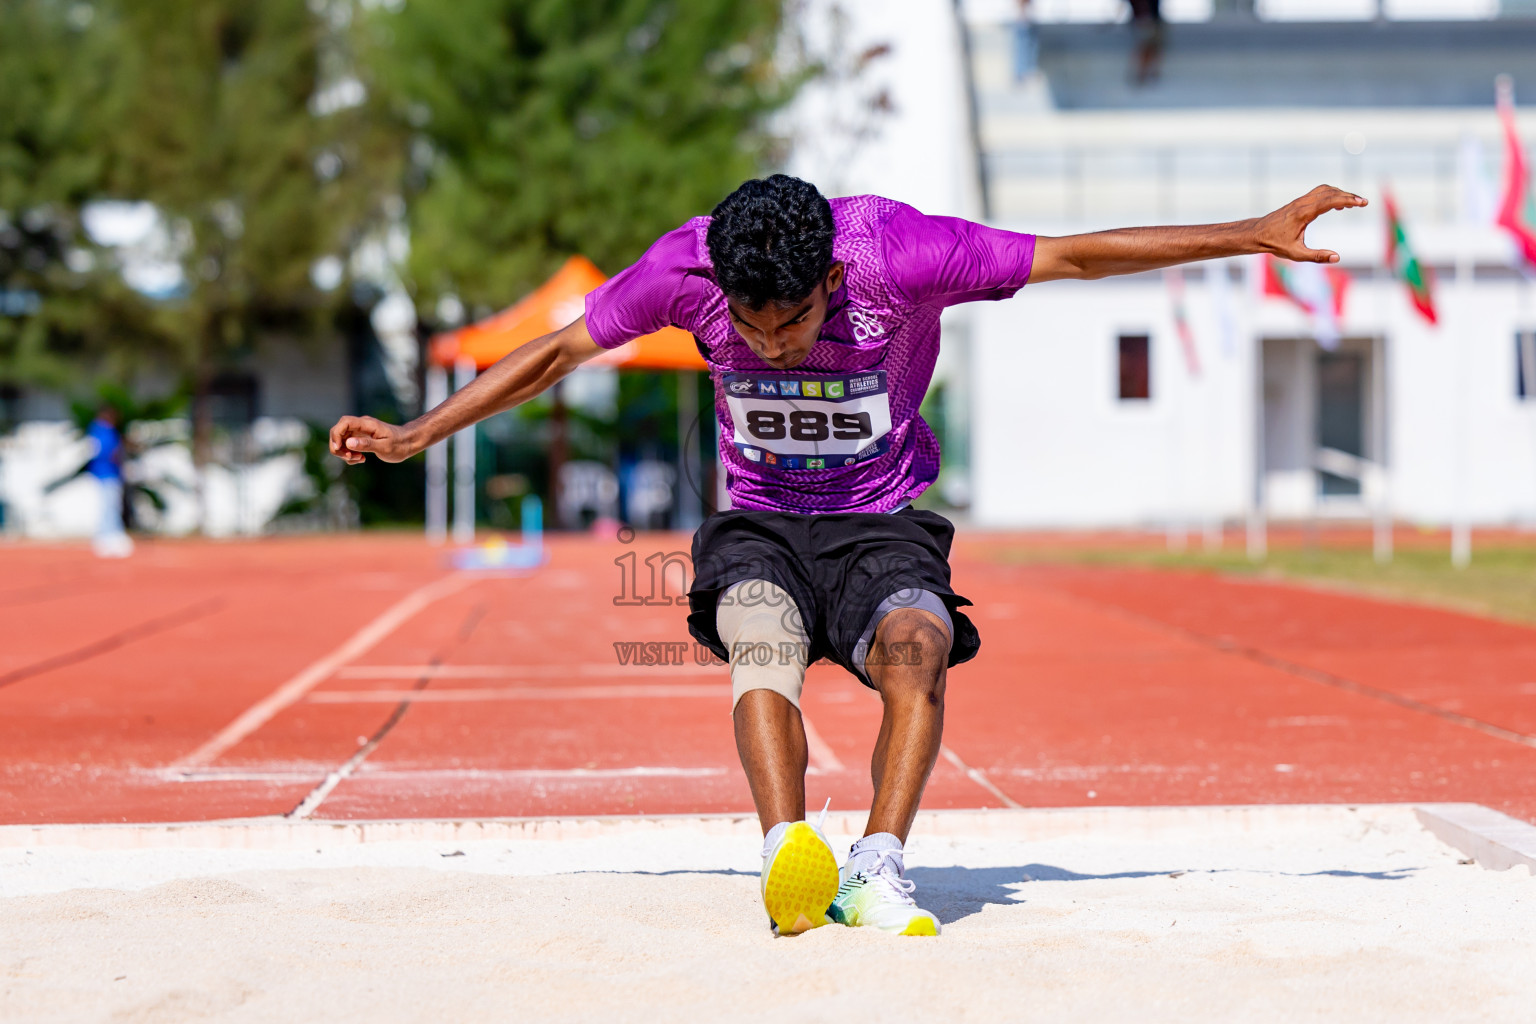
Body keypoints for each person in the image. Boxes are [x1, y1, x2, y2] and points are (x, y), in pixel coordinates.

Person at [329, 175, 1365, 937]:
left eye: (794, 321)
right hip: (764, 518)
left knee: (917, 647)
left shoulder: (902, 256)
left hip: (880, 515)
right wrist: (420, 432)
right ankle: (788, 852)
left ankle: (876, 866)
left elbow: (1072, 254)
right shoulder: (685, 272)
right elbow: (559, 351)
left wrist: (1251, 232)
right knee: (760, 637)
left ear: (832, 277)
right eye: (748, 326)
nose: (772, 345)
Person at [87, 406, 133, 558]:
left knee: (111, 505)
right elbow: (105, 452)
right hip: (105, 473)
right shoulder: (100, 431)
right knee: (108, 506)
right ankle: (106, 538)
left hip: (111, 473)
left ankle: (111, 535)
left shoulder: (104, 431)